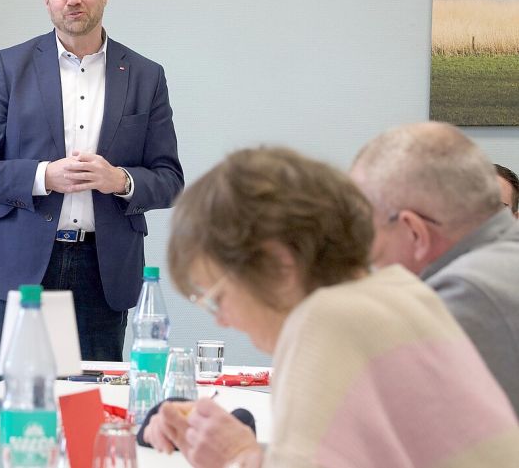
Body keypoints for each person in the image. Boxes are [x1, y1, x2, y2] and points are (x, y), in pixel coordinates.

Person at [143, 146, 519, 467]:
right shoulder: (395, 293)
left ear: (279, 264)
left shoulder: (325, 321)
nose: (222, 321)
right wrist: (245, 451)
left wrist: (239, 455)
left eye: (217, 297)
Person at [0, 0, 183, 369]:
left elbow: (170, 179)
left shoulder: (146, 75)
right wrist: (44, 176)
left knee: (94, 407)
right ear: (46, 0)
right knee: (15, 402)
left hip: (105, 270)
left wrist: (120, 181)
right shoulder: (10, 66)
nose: (72, 1)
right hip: (21, 265)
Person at [349, 122, 519, 415]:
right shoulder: (502, 260)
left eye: (370, 232)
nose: (372, 257)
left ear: (414, 231)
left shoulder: (469, 293)